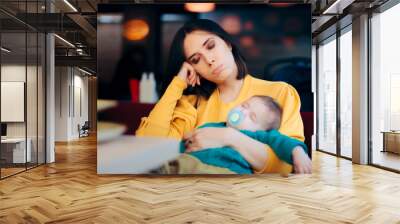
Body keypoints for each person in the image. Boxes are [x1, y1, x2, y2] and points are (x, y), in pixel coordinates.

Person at [136, 19, 311, 174]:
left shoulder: (280, 93)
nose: (209, 60)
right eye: (196, 60)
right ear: (193, 69)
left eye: (211, 46)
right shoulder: (192, 104)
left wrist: (228, 137)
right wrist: (178, 83)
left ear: (227, 42)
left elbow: (287, 166)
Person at [165, 95, 310, 174]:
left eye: (252, 117)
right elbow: (183, 145)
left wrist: (298, 153)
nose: (243, 112)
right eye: (244, 106)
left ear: (260, 130)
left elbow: (282, 141)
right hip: (189, 164)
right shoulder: (210, 126)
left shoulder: (256, 136)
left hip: (226, 172)